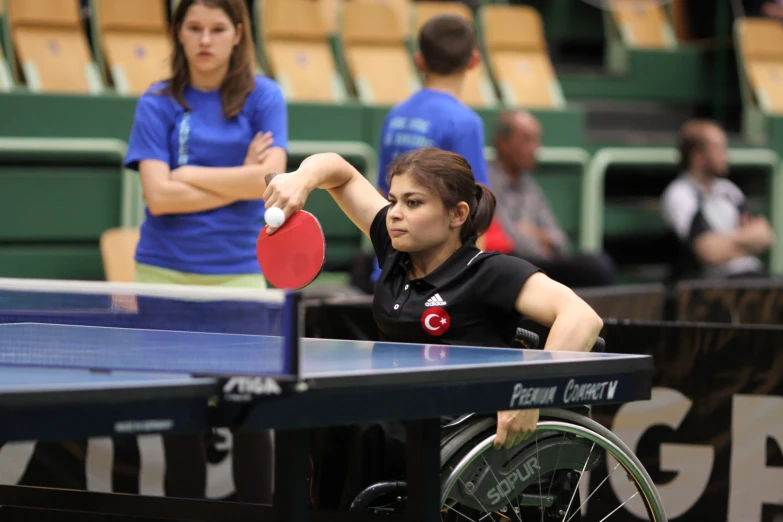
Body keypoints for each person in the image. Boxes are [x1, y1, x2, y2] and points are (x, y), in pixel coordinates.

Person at [262, 147, 604, 509]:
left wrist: (534, 393)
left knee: (359, 425)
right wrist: (301, 179)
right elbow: (340, 171)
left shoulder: (488, 272)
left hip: (453, 425)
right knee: (313, 410)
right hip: (397, 406)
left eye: (413, 203)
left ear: (457, 214)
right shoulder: (395, 251)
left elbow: (582, 318)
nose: (394, 213)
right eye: (392, 200)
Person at [124, 0, 288, 503]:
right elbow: (157, 197)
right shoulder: (157, 102)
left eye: (218, 28)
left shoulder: (264, 97)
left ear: (238, 33)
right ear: (178, 32)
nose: (205, 40)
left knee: (251, 417)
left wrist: (188, 175)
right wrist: (238, 177)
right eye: (194, 28)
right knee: (181, 423)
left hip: (239, 277)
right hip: (163, 276)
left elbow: (272, 182)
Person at [363, 13, 491, 288]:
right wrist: (473, 280)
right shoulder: (465, 122)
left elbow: (380, 196)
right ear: (474, 60)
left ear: (419, 60)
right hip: (440, 279)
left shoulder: (396, 115)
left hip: (389, 267)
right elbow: (476, 208)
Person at [487, 110, 615, 288]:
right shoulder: (486, 181)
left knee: (596, 262)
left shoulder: (530, 184)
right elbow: (510, 242)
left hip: (541, 265)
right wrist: (541, 238)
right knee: (595, 267)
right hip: (511, 268)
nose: (535, 148)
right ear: (503, 144)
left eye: (537, 140)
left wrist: (532, 232)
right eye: (526, 140)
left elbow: (559, 240)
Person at [661, 119, 773, 280]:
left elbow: (765, 235)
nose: (726, 155)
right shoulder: (679, 193)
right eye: (718, 148)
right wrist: (745, 241)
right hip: (708, 287)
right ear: (697, 155)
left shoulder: (728, 189)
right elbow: (707, 252)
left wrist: (725, 244)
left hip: (751, 276)